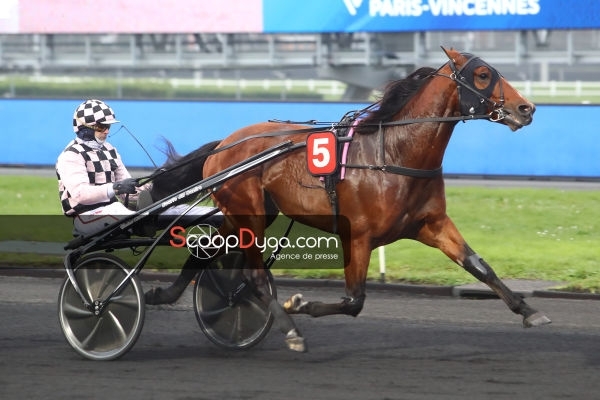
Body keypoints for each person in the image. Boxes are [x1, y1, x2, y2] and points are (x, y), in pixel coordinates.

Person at [56, 99, 220, 236]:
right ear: (84, 128)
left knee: (173, 210)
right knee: (136, 218)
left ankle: (219, 217)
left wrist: (156, 182)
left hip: (114, 210)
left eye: (108, 127)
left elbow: (130, 191)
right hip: (87, 216)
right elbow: (80, 194)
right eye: (101, 127)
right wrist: (116, 187)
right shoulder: (71, 155)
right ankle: (152, 226)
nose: (106, 131)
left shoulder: (110, 150)